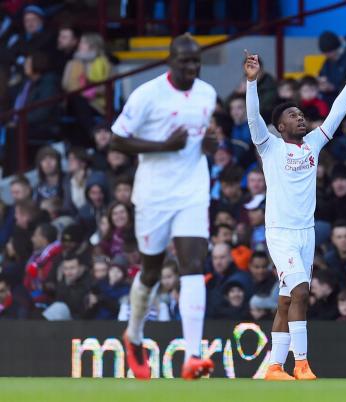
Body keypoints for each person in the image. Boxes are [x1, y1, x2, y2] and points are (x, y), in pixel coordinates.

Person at [244, 44, 346, 380]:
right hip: (280, 233)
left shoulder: (313, 144)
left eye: (301, 114)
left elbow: (338, 112)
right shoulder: (270, 147)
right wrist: (252, 83)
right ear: (280, 127)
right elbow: (253, 119)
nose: (300, 118)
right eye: (292, 116)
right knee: (300, 292)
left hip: (306, 233)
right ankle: (302, 363)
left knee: (286, 301)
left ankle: (273, 368)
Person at [110, 34, 216, 380]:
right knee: (151, 272)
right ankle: (134, 335)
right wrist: (163, 146)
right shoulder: (146, 95)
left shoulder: (207, 94)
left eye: (196, 61)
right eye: (185, 61)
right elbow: (117, 139)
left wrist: (210, 145)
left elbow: (201, 141)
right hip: (154, 195)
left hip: (192, 190)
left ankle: (193, 357)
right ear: (170, 61)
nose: (192, 67)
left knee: (193, 264)